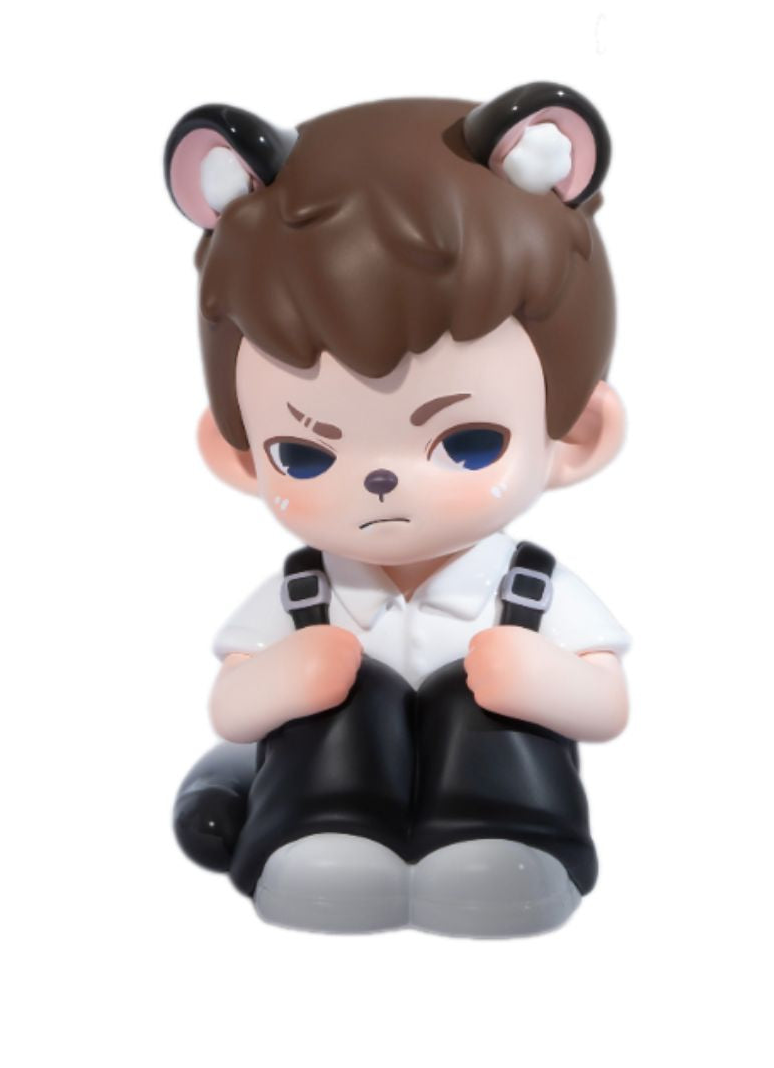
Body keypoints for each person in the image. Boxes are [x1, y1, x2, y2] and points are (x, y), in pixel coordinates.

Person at [164, 83, 630, 937]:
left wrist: (547, 681)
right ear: (240, 457)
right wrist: (283, 679)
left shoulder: (528, 592)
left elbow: (606, 704)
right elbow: (231, 707)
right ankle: (317, 840)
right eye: (305, 454)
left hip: (505, 802)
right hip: (323, 803)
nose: (382, 483)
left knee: (485, 709)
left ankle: (509, 843)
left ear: (576, 437)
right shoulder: (307, 595)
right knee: (339, 700)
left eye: (468, 443)